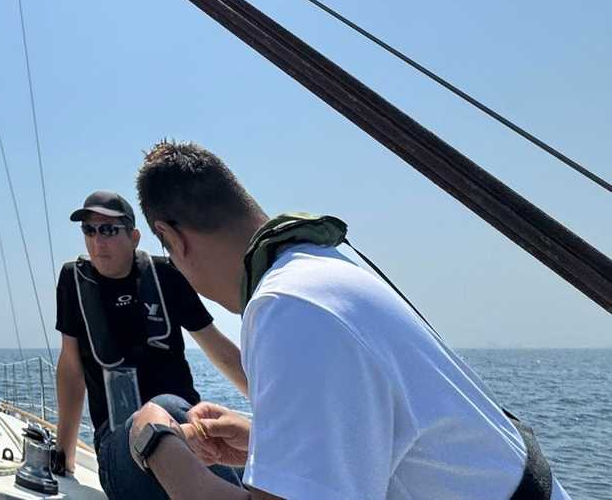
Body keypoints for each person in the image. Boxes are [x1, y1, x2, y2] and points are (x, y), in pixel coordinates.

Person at [124, 140, 567, 499]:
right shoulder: (328, 272)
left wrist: (156, 442)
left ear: (171, 238)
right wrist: (268, 445)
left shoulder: (286, 309)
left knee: (158, 415)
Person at [54, 189, 247, 499]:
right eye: (89, 230)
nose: (97, 240)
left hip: (187, 430)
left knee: (184, 416)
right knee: (161, 409)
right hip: (120, 445)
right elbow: (71, 370)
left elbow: (220, 351)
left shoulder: (166, 275)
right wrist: (63, 456)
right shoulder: (73, 281)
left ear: (134, 237)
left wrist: (277, 411)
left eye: (108, 230)